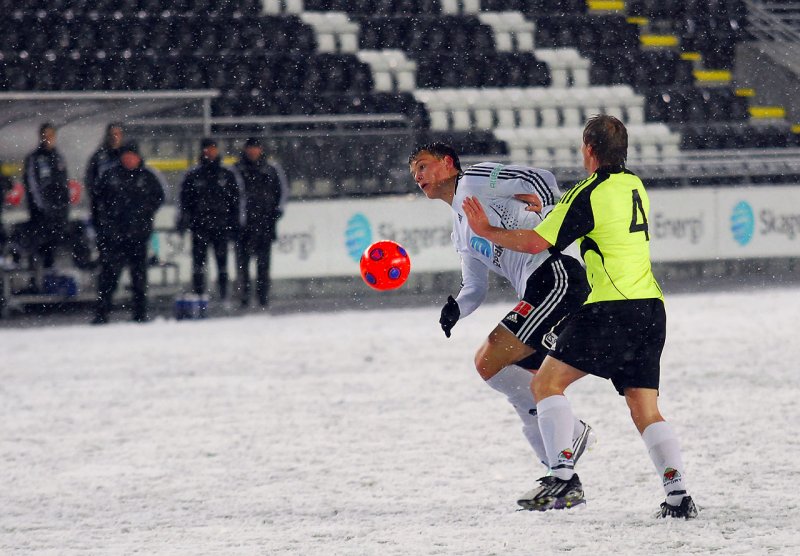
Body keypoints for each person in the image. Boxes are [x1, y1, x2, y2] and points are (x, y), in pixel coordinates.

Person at [462, 115, 698, 518]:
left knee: (546, 383)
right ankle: (678, 495)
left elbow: (535, 242)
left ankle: (562, 478)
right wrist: (550, 209)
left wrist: (484, 229)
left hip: (610, 308)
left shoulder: (587, 192)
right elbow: (591, 217)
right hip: (650, 308)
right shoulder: (633, 185)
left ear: (588, 149)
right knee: (645, 408)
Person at [408, 143, 595, 503]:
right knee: (514, 377)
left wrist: (550, 212)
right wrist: (456, 309)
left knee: (493, 359)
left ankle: (571, 437)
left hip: (555, 273)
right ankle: (560, 478)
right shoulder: (460, 230)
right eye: (413, 171)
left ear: (448, 163)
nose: (418, 176)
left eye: (423, 166)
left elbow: (540, 178)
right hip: (539, 287)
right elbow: (474, 288)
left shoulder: (474, 179)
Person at [92, 142, 165, 324]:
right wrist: (104, 225)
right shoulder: (110, 175)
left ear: (138, 157)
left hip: (139, 235)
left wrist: (144, 214)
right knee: (109, 276)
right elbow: (97, 200)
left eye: (132, 155)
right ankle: (102, 313)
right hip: (114, 236)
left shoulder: (148, 176)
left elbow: (160, 197)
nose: (129, 159)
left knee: (139, 277)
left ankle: (140, 314)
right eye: (126, 155)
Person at [177, 138, 240, 302]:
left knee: (222, 263)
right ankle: (199, 295)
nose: (210, 152)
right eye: (207, 149)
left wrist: (234, 223)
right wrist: (184, 220)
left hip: (221, 225)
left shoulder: (226, 174)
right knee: (198, 264)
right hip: (200, 226)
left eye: (212, 148)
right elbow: (184, 201)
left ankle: (224, 295)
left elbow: (236, 200)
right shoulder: (193, 175)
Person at [232, 137, 287, 308]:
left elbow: (282, 192)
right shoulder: (236, 170)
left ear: (261, 149)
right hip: (243, 226)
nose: (253, 151)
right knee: (243, 264)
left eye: (255, 147)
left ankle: (263, 297)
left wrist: (275, 213)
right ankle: (244, 297)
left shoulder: (271, 169)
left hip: (265, 224)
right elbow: (230, 195)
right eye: (250, 147)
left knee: (263, 264)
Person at [22, 122, 69, 270]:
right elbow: (32, 186)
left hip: (58, 211)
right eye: (45, 135)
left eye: (50, 135)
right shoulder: (34, 158)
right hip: (40, 213)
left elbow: (64, 183)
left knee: (55, 245)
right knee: (40, 246)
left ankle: (52, 273)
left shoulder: (58, 157)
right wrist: (43, 206)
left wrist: (63, 207)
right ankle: (38, 274)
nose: (48, 138)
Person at [85, 122, 124, 227]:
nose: (114, 137)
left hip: (123, 208)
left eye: (117, 134)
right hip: (104, 208)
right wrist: (98, 201)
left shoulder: (127, 156)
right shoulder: (99, 157)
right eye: (112, 134)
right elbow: (90, 180)